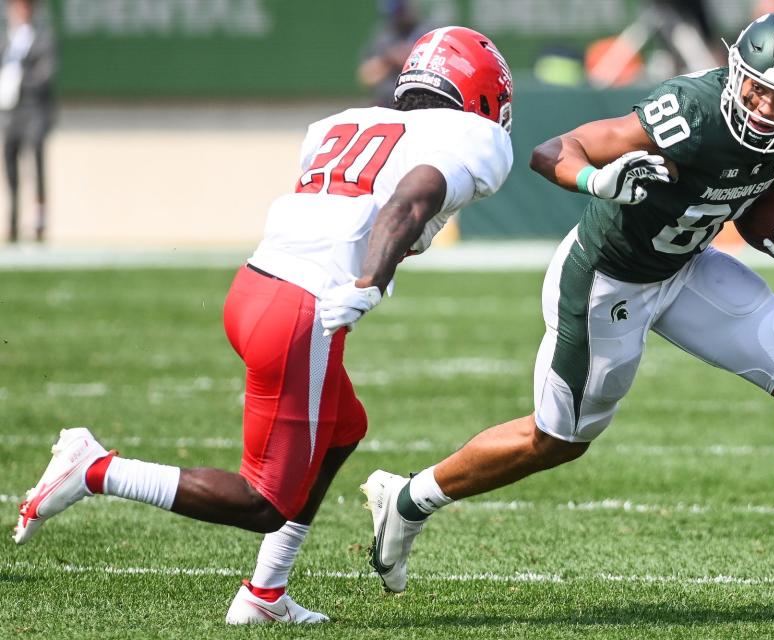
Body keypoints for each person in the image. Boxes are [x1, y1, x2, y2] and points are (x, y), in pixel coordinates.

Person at [360, 10, 774, 594]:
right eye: (756, 89)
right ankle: (409, 499)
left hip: (685, 265)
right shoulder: (690, 110)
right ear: (735, 70)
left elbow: (748, 183)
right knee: (556, 441)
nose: (764, 109)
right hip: (609, 276)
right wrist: (596, 181)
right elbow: (554, 149)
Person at [13, 26, 514, 624]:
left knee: (343, 427)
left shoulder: (344, 123)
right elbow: (411, 200)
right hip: (301, 308)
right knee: (264, 503)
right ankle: (94, 469)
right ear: (478, 94)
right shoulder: (472, 136)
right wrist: (371, 281)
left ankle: (265, 595)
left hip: (256, 286)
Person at [0, 0, 56, 243]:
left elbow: (46, 73)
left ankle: (39, 222)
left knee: (35, 164)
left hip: (34, 111)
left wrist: (17, 80)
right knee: (10, 166)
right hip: (11, 113)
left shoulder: (44, 38)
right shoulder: (7, 40)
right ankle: (12, 222)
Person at [357, 0, 431, 108]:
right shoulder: (383, 35)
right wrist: (388, 58)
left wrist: (408, 56)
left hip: (417, 102)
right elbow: (366, 76)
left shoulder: (425, 31)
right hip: (386, 102)